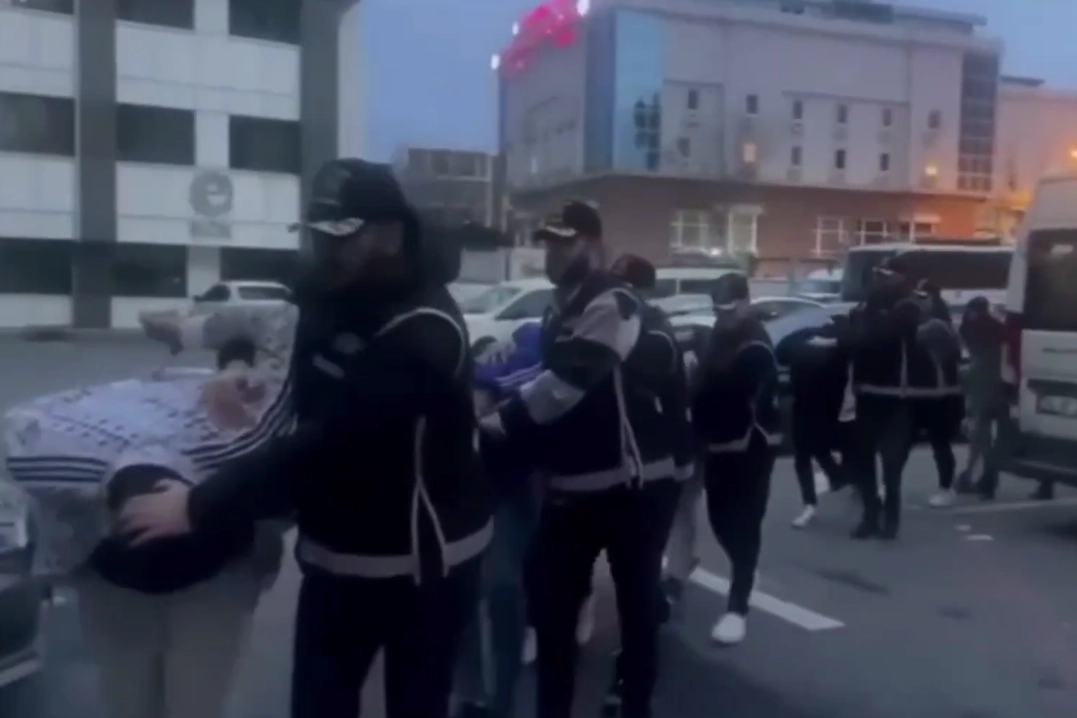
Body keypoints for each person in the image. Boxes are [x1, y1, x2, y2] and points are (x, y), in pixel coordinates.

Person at [119, 158, 491, 718]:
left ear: (389, 235)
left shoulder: (424, 332)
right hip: (334, 556)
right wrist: (238, 368)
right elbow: (271, 330)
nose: (327, 249)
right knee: (317, 704)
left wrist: (198, 504)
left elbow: (330, 444)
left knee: (416, 703)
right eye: (320, 235)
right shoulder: (335, 287)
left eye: (342, 237)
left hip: (423, 565)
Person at [2, 305, 297, 718]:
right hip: (116, 568)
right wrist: (216, 350)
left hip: (215, 574)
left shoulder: (38, 445)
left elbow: (299, 469)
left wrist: (197, 504)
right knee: (136, 698)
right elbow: (271, 324)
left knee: (189, 701)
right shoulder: (47, 446)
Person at [481, 201, 681, 718]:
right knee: (551, 615)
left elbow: (567, 383)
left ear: (592, 244)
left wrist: (498, 423)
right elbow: (541, 373)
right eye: (548, 243)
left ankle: (634, 705)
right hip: (570, 489)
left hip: (630, 489)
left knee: (637, 611)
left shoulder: (614, 302)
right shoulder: (558, 308)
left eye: (563, 243)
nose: (552, 253)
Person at [603, 253, 692, 716]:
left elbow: (665, 396)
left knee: (637, 581)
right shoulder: (620, 324)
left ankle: (630, 682)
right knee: (637, 579)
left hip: (659, 471)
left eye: (625, 285)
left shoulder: (654, 333)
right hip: (627, 469)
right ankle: (650, 613)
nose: (616, 292)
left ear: (642, 291)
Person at [454, 323, 544, 718]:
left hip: (506, 488)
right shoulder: (458, 377)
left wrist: (488, 387)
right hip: (461, 494)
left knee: (503, 590)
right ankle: (474, 695)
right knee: (466, 596)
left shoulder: (527, 347)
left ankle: (496, 701)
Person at [691, 274, 780, 644]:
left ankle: (737, 607)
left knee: (745, 524)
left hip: (752, 444)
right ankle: (745, 568)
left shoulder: (755, 344)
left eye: (729, 309)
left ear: (745, 303)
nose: (723, 316)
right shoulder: (717, 336)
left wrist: (696, 383)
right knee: (719, 520)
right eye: (718, 310)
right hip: (717, 443)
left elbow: (729, 391)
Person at [847, 258, 961, 539]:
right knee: (861, 457)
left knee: (892, 463)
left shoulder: (911, 306)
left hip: (898, 395)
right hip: (867, 392)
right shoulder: (866, 308)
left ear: (901, 278)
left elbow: (888, 333)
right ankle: (871, 513)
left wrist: (869, 322)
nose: (881, 279)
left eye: (888, 275)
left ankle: (891, 518)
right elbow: (854, 339)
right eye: (879, 274)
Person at [776, 315, 854, 528]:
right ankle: (841, 477)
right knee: (822, 447)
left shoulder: (800, 338)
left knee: (804, 455)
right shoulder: (844, 346)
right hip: (828, 405)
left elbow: (781, 356)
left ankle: (812, 500)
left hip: (803, 403)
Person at [915, 280, 964, 508]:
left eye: (922, 297)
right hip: (934, 392)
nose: (918, 302)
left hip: (941, 394)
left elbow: (915, 338)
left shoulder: (936, 326)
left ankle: (946, 488)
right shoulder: (940, 323)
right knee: (937, 443)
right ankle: (945, 487)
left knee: (939, 444)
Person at [956, 297, 1004, 500]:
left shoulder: (971, 329)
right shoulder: (998, 328)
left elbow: (974, 361)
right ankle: (984, 477)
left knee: (980, 435)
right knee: (995, 436)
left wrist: (962, 374)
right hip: (1001, 385)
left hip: (981, 386)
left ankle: (973, 476)